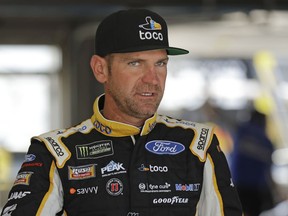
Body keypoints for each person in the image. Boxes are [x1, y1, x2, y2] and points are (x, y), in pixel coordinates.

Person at [0, 9, 243, 216]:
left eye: (160, 63)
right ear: (100, 69)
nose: (152, 79)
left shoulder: (198, 144)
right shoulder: (56, 151)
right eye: (135, 63)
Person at [231, 109, 275, 216]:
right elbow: (268, 170)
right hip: (256, 187)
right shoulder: (267, 142)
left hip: (239, 183)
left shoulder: (241, 131)